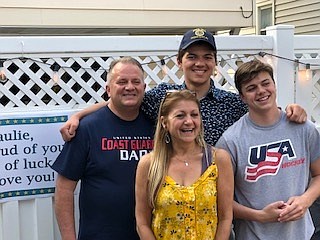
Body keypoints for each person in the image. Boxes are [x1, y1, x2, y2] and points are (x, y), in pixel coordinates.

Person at [59, 28, 307, 146]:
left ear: (215, 63)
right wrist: (79, 115)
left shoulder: (231, 103)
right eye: (192, 57)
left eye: (207, 57)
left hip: (218, 197)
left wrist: (291, 110)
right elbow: (123, 100)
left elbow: (263, 111)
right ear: (180, 62)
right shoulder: (162, 98)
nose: (200, 63)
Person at [51, 57, 155, 240]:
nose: (129, 87)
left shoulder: (158, 127)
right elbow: (64, 189)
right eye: (121, 82)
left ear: (144, 88)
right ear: (108, 90)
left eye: (135, 82)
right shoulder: (86, 129)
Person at [215, 59, 320, 240]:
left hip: (302, 235)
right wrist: (260, 216)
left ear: (274, 85)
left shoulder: (304, 128)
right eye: (251, 88)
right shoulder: (230, 141)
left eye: (266, 83)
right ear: (242, 97)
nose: (261, 91)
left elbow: (318, 175)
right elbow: (219, 201)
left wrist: (305, 200)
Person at [135, 90, 234, 239]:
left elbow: (226, 217)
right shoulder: (149, 164)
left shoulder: (218, 159)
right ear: (164, 122)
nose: (189, 121)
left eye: (194, 115)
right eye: (180, 115)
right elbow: (142, 222)